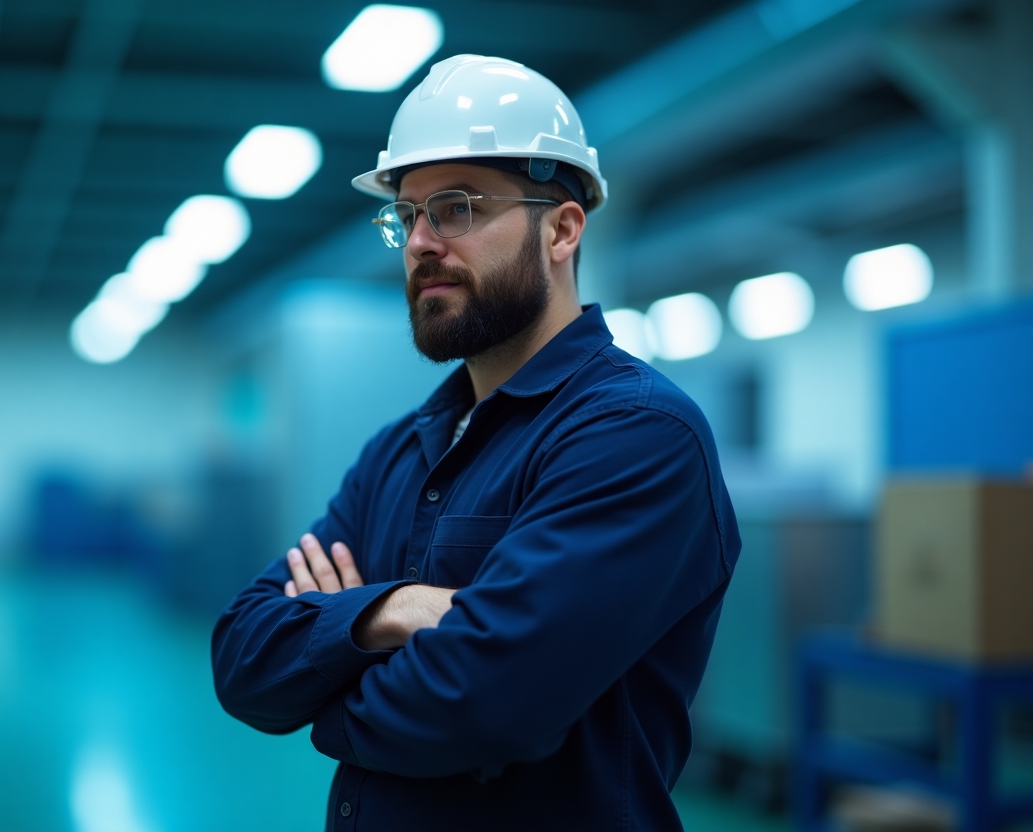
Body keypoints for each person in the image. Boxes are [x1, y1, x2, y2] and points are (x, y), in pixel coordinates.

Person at [210, 54, 740, 831]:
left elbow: (485, 706)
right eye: (406, 215)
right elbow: (241, 654)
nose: (420, 242)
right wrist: (392, 611)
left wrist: (326, 687)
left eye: (456, 208)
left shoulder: (635, 434)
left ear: (561, 230)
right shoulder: (399, 450)